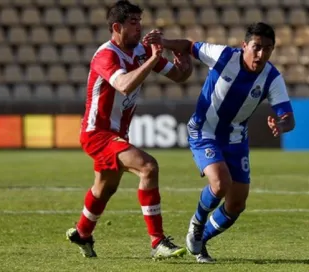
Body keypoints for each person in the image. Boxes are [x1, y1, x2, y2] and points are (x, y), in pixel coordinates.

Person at [143, 22, 295, 263]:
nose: (261, 54)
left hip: (236, 139)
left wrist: (281, 124)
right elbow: (189, 46)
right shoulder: (224, 55)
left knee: (236, 204)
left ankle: (201, 240)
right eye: (256, 47)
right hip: (205, 131)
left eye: (267, 49)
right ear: (244, 46)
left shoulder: (272, 78)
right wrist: (165, 43)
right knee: (220, 181)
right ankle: (197, 224)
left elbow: (288, 118)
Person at [66, 0, 192, 259]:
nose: (139, 28)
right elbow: (123, 85)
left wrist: (182, 58)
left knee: (105, 188)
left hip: (117, 134)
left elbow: (180, 76)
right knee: (148, 166)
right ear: (116, 27)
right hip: (97, 133)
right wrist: (152, 60)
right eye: (133, 23)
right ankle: (157, 242)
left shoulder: (142, 51)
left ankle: (82, 232)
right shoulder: (106, 55)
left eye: (139, 22)